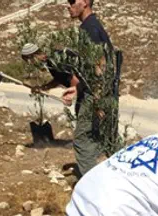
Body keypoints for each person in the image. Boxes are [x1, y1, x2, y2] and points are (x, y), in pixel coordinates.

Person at [22, 0, 119, 178]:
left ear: (85, 3)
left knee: (83, 141)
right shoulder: (88, 27)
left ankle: (92, 187)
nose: (69, 6)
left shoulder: (90, 29)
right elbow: (83, 72)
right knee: (104, 140)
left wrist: (95, 100)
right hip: (93, 93)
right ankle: (118, 179)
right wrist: (75, 89)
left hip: (94, 95)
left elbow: (100, 67)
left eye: (73, 2)